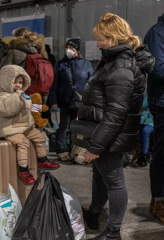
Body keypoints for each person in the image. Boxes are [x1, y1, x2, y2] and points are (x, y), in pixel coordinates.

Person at [74, 13, 154, 239]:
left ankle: (113, 231)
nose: (98, 43)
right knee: (100, 176)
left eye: (102, 38)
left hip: (109, 135)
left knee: (115, 181)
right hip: (105, 132)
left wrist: (96, 146)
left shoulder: (120, 67)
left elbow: (116, 114)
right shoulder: (113, 61)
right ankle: (95, 213)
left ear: (114, 38)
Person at [0, 65, 60, 185]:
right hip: (11, 128)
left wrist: (40, 108)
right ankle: (23, 170)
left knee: (39, 136)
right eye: (15, 82)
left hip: (24, 126)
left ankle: (42, 160)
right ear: (7, 81)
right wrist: (17, 96)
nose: (18, 85)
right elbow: (8, 109)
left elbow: (27, 108)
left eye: (20, 82)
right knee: (23, 142)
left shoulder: (23, 94)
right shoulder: (2, 96)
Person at [49, 38, 93, 161]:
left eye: (72, 48)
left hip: (80, 101)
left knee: (77, 127)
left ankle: (75, 150)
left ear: (77, 50)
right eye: (67, 47)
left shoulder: (86, 64)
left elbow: (91, 84)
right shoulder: (60, 63)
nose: (69, 50)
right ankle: (61, 150)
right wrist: (53, 101)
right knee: (62, 126)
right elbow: (54, 84)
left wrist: (89, 101)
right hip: (64, 100)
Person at [144, 12, 164, 223]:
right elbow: (158, 70)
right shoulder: (157, 33)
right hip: (162, 104)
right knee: (161, 156)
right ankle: (159, 200)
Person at [0, 31, 47, 98]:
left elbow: (2, 73)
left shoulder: (14, 52)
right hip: (37, 96)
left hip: (16, 95)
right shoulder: (42, 55)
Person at [133, 95, 154, 167]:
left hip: (153, 122)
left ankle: (143, 156)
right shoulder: (145, 92)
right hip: (141, 121)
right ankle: (145, 154)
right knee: (136, 134)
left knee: (145, 132)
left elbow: (144, 104)